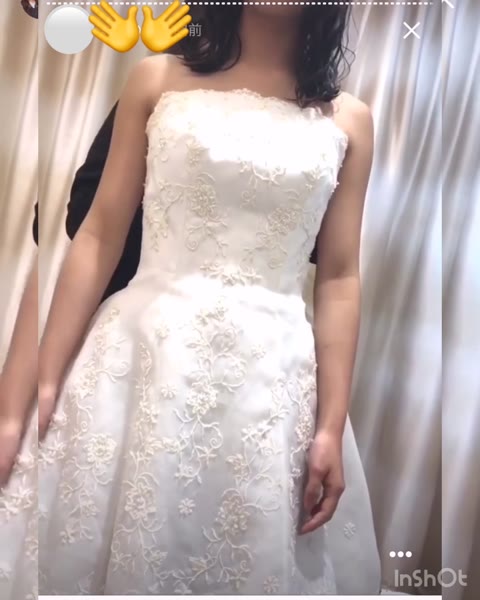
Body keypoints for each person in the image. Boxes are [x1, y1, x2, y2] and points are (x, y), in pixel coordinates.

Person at [2, 5, 381, 595]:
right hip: (140, 357)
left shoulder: (350, 121)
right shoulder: (156, 80)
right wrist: (45, 375)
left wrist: (330, 426)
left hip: (272, 380)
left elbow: (338, 277)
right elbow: (99, 234)